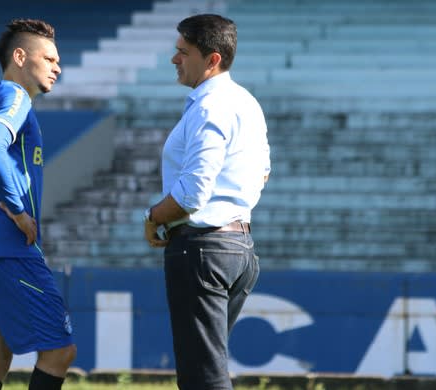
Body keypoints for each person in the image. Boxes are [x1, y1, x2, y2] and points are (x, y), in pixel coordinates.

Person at [142, 14, 270, 390]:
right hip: (239, 248)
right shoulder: (246, 101)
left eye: (183, 51)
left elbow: (192, 193)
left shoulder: (209, 106)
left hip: (203, 249)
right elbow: (263, 171)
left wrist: (152, 217)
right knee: (207, 369)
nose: (174, 58)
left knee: (204, 379)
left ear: (212, 59)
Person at [0, 19, 76, 390]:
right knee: (59, 351)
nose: (58, 67)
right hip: (7, 249)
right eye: (50, 58)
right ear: (20, 56)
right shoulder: (15, 96)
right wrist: (15, 209)